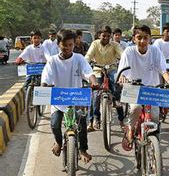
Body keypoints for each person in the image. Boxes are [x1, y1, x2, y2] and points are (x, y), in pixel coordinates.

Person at [41, 29, 98, 163]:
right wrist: (44, 85)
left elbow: (88, 72)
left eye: (70, 45)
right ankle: (58, 143)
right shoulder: (53, 61)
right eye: (64, 44)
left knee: (82, 123)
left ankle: (83, 149)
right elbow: (47, 77)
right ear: (58, 44)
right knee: (55, 124)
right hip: (59, 100)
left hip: (76, 99)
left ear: (74, 44)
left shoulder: (79, 58)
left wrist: (94, 81)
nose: (67, 47)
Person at [117, 25, 169, 144]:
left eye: (146, 38)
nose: (143, 41)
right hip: (134, 88)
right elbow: (123, 71)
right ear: (134, 39)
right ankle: (130, 128)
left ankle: (152, 145)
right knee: (136, 108)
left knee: (155, 117)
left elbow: (163, 70)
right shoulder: (129, 51)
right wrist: (122, 78)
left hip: (151, 90)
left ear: (150, 39)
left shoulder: (155, 51)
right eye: (139, 38)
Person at [85, 25, 124, 130]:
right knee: (95, 95)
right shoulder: (95, 44)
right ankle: (94, 119)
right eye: (103, 36)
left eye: (108, 36)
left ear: (110, 36)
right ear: (99, 35)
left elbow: (122, 55)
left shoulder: (115, 45)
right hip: (97, 71)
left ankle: (122, 119)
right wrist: (85, 63)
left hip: (112, 69)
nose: (106, 38)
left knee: (118, 83)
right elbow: (88, 56)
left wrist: (125, 61)